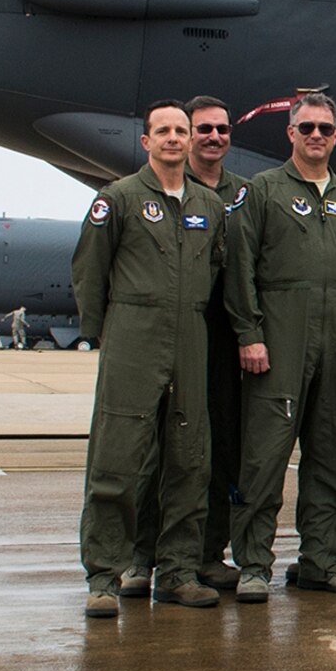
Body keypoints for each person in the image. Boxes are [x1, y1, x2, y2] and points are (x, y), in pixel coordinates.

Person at [73, 98, 227, 617]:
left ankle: (178, 572)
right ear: (146, 141)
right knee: (116, 462)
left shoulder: (209, 205)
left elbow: (220, 271)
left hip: (190, 337)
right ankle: (103, 576)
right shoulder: (117, 199)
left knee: (189, 462)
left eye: (180, 131)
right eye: (162, 130)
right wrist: (98, 336)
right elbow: (89, 271)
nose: (173, 138)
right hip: (133, 337)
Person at [227, 92, 336, 603]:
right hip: (280, 339)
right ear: (290, 132)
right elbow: (240, 268)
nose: (316, 136)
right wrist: (249, 333)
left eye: (326, 129)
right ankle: (252, 564)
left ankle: (322, 560)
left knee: (334, 455)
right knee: (265, 457)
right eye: (307, 127)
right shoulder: (262, 191)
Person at [130, 94, 251, 596]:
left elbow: (250, 267)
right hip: (170, 333)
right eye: (203, 129)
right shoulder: (149, 191)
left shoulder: (245, 194)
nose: (213, 138)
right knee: (154, 449)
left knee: (219, 448)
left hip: (224, 339)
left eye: (222, 130)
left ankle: (207, 553)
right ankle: (143, 556)